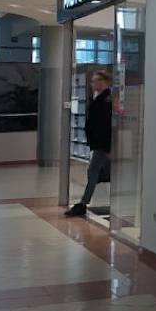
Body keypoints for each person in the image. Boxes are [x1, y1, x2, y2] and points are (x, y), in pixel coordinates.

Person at [65, 70, 112, 217]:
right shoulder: (97, 98)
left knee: (93, 171)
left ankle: (83, 203)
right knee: (101, 172)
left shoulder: (106, 100)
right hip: (98, 143)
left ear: (103, 82)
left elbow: (105, 125)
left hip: (102, 144)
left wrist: (107, 146)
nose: (92, 84)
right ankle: (100, 191)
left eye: (95, 81)